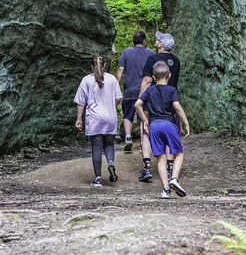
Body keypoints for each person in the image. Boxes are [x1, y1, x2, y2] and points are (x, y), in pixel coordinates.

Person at [135, 61, 190, 198]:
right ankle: (174, 179)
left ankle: (165, 190)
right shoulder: (172, 90)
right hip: (169, 125)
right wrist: (186, 123)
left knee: (160, 158)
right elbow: (176, 106)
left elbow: (137, 104)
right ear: (169, 76)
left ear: (153, 78)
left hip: (154, 126)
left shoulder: (149, 90)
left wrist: (145, 120)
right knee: (178, 154)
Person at [137, 31, 181, 182]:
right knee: (170, 132)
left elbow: (147, 80)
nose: (155, 41)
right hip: (170, 100)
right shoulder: (176, 61)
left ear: (161, 44)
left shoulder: (153, 59)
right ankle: (170, 169)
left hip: (153, 100)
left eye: (157, 40)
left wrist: (141, 100)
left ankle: (147, 167)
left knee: (146, 131)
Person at [73, 55, 123, 187]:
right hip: (110, 117)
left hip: (94, 118)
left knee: (96, 147)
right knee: (109, 145)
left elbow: (81, 102)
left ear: (91, 66)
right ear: (105, 65)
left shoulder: (86, 80)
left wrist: (79, 118)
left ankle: (98, 179)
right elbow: (118, 99)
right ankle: (111, 163)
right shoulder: (112, 79)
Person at [115, 31, 155, 153]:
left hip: (129, 90)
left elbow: (120, 70)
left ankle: (128, 137)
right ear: (144, 41)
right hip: (145, 91)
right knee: (143, 116)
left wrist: (116, 87)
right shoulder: (151, 54)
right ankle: (143, 143)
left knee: (128, 115)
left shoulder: (126, 52)